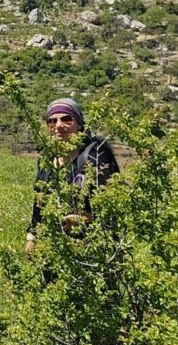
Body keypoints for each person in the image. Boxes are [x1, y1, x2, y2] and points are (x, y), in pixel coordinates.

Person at [25, 97, 120, 254]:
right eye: (52, 121)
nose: (58, 126)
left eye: (66, 119)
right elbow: (40, 201)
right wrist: (32, 237)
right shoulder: (47, 159)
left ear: (79, 124)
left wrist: (82, 218)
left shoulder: (93, 158)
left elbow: (112, 207)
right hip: (54, 245)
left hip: (92, 247)